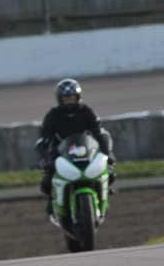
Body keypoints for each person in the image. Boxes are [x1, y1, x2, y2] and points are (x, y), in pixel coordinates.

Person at [35, 78, 115, 215]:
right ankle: (52, 200)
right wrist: (46, 157)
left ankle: (104, 191)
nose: (69, 101)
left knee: (111, 173)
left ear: (78, 97)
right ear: (60, 99)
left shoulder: (86, 111)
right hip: (61, 152)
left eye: (72, 98)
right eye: (66, 98)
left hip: (86, 149)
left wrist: (107, 154)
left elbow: (98, 132)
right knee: (46, 182)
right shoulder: (53, 115)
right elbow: (45, 136)